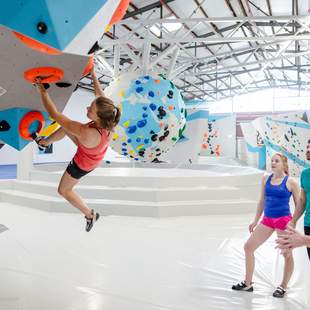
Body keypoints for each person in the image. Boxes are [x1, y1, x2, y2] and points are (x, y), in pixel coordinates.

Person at [34, 67, 121, 232]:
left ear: (98, 117)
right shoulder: (109, 116)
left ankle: (90, 215)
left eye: (91, 110)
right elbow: (99, 94)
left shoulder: (86, 132)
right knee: (67, 128)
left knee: (63, 190)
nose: (87, 109)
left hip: (84, 162)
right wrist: (93, 74)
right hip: (94, 152)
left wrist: (41, 89)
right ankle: (44, 143)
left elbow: (54, 114)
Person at [232, 153, 299, 297]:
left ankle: (283, 286)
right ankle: (248, 283)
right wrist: (255, 220)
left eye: (277, 161)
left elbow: (299, 205)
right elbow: (261, 201)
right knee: (248, 247)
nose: (273, 163)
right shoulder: (265, 179)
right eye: (272, 161)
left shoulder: (291, 182)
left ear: (284, 164)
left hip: (284, 221)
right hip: (267, 219)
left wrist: (293, 224)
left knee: (287, 253)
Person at [287, 139, 310, 260]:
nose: (308, 150)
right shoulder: (305, 174)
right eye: (307, 147)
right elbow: (302, 200)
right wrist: (293, 220)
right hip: (308, 224)